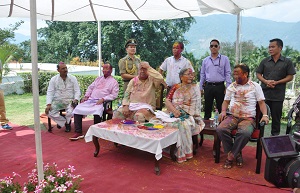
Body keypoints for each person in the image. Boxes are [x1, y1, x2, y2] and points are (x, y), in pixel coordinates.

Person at [217, 64, 269, 169]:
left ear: (245, 74)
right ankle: (236, 153)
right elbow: (225, 102)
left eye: (237, 73)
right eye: (234, 74)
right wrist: (223, 111)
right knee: (220, 129)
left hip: (248, 118)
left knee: (244, 133)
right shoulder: (231, 86)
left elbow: (262, 103)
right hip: (233, 116)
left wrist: (265, 115)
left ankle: (230, 157)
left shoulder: (255, 86)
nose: (235, 76)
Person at [256, 38, 296, 136]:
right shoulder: (265, 61)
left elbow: (290, 76)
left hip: (278, 95)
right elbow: (258, 74)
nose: (270, 49)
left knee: (276, 119)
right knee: (260, 117)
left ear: (280, 48)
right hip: (264, 94)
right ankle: (258, 138)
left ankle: (274, 140)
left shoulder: (287, 62)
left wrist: (277, 82)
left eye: (273, 47)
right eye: (269, 47)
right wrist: (266, 81)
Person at [164, 68, 205, 163]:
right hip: (173, 113)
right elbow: (167, 100)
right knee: (156, 121)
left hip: (190, 115)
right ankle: (165, 147)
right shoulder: (176, 87)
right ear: (181, 77)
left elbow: (195, 106)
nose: (191, 76)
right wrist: (174, 111)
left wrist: (184, 112)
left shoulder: (195, 87)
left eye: (192, 74)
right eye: (188, 74)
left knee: (182, 125)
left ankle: (182, 152)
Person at [70, 63, 119, 141]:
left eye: (107, 68)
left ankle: (96, 132)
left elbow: (114, 95)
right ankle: (78, 132)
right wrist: (86, 96)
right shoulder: (98, 79)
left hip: (102, 102)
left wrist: (103, 99)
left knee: (97, 111)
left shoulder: (114, 82)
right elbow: (90, 88)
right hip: (91, 100)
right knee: (78, 108)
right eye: (104, 68)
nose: (105, 70)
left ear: (111, 70)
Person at [199, 39, 232, 120]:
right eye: (211, 46)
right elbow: (202, 74)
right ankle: (205, 127)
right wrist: (200, 87)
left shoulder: (225, 59)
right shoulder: (205, 60)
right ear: (209, 48)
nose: (213, 47)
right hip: (208, 86)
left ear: (219, 47)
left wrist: (228, 87)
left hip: (220, 86)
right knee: (207, 107)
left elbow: (228, 73)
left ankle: (221, 127)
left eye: (215, 46)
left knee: (221, 107)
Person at [45, 62, 81, 132]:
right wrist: (49, 104)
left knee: (70, 112)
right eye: (63, 68)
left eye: (66, 68)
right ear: (58, 70)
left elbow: (77, 91)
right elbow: (50, 92)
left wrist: (76, 99)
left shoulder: (72, 78)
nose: (65, 70)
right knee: (49, 112)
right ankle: (65, 122)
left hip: (70, 100)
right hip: (58, 101)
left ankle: (64, 123)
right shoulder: (54, 79)